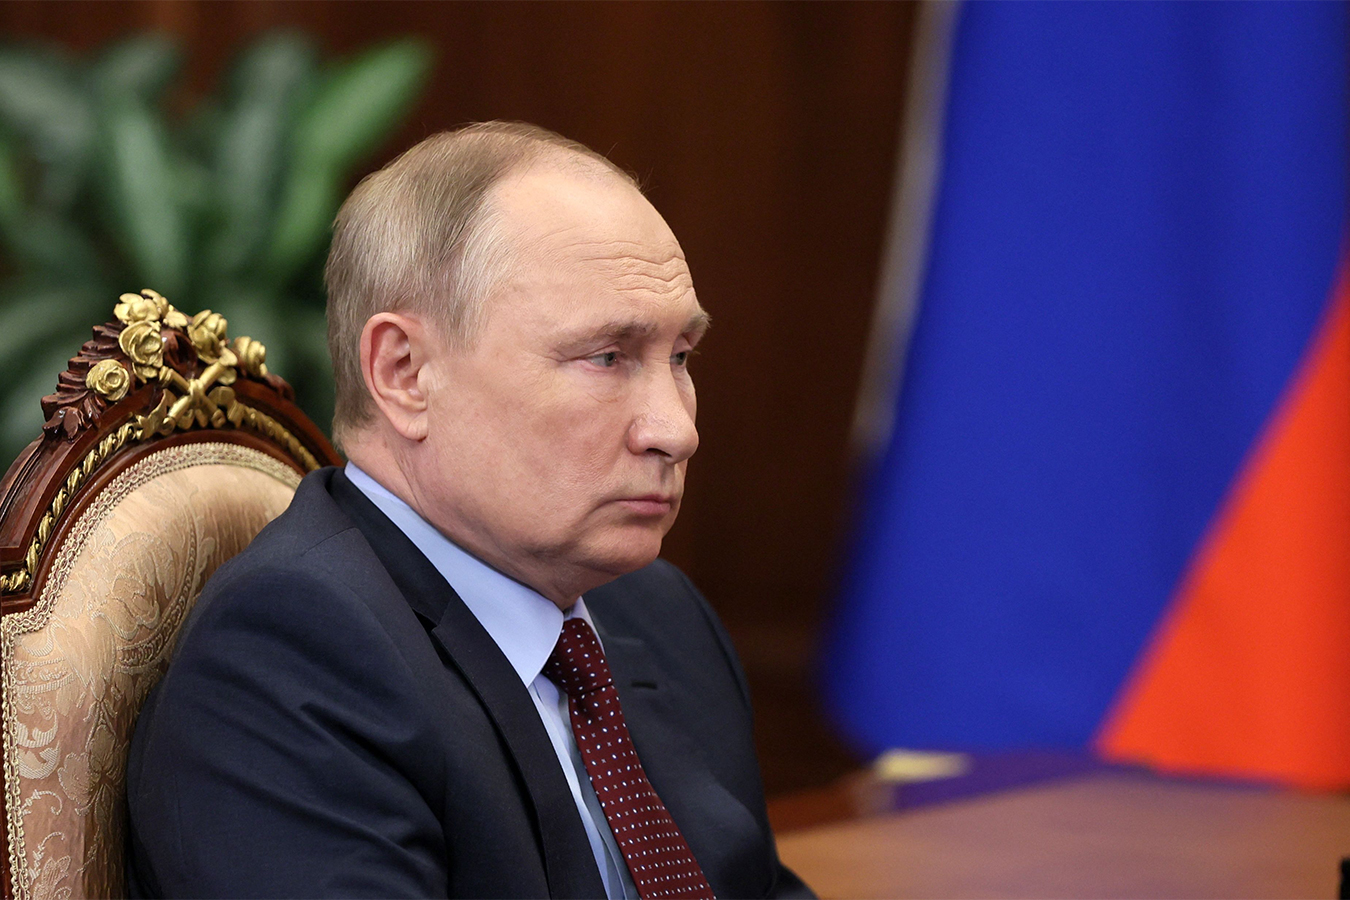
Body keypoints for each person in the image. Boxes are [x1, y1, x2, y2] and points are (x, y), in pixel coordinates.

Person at [125, 121, 813, 899]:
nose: (676, 429)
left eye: (680, 357)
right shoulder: (289, 658)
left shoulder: (658, 616)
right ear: (405, 373)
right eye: (606, 358)